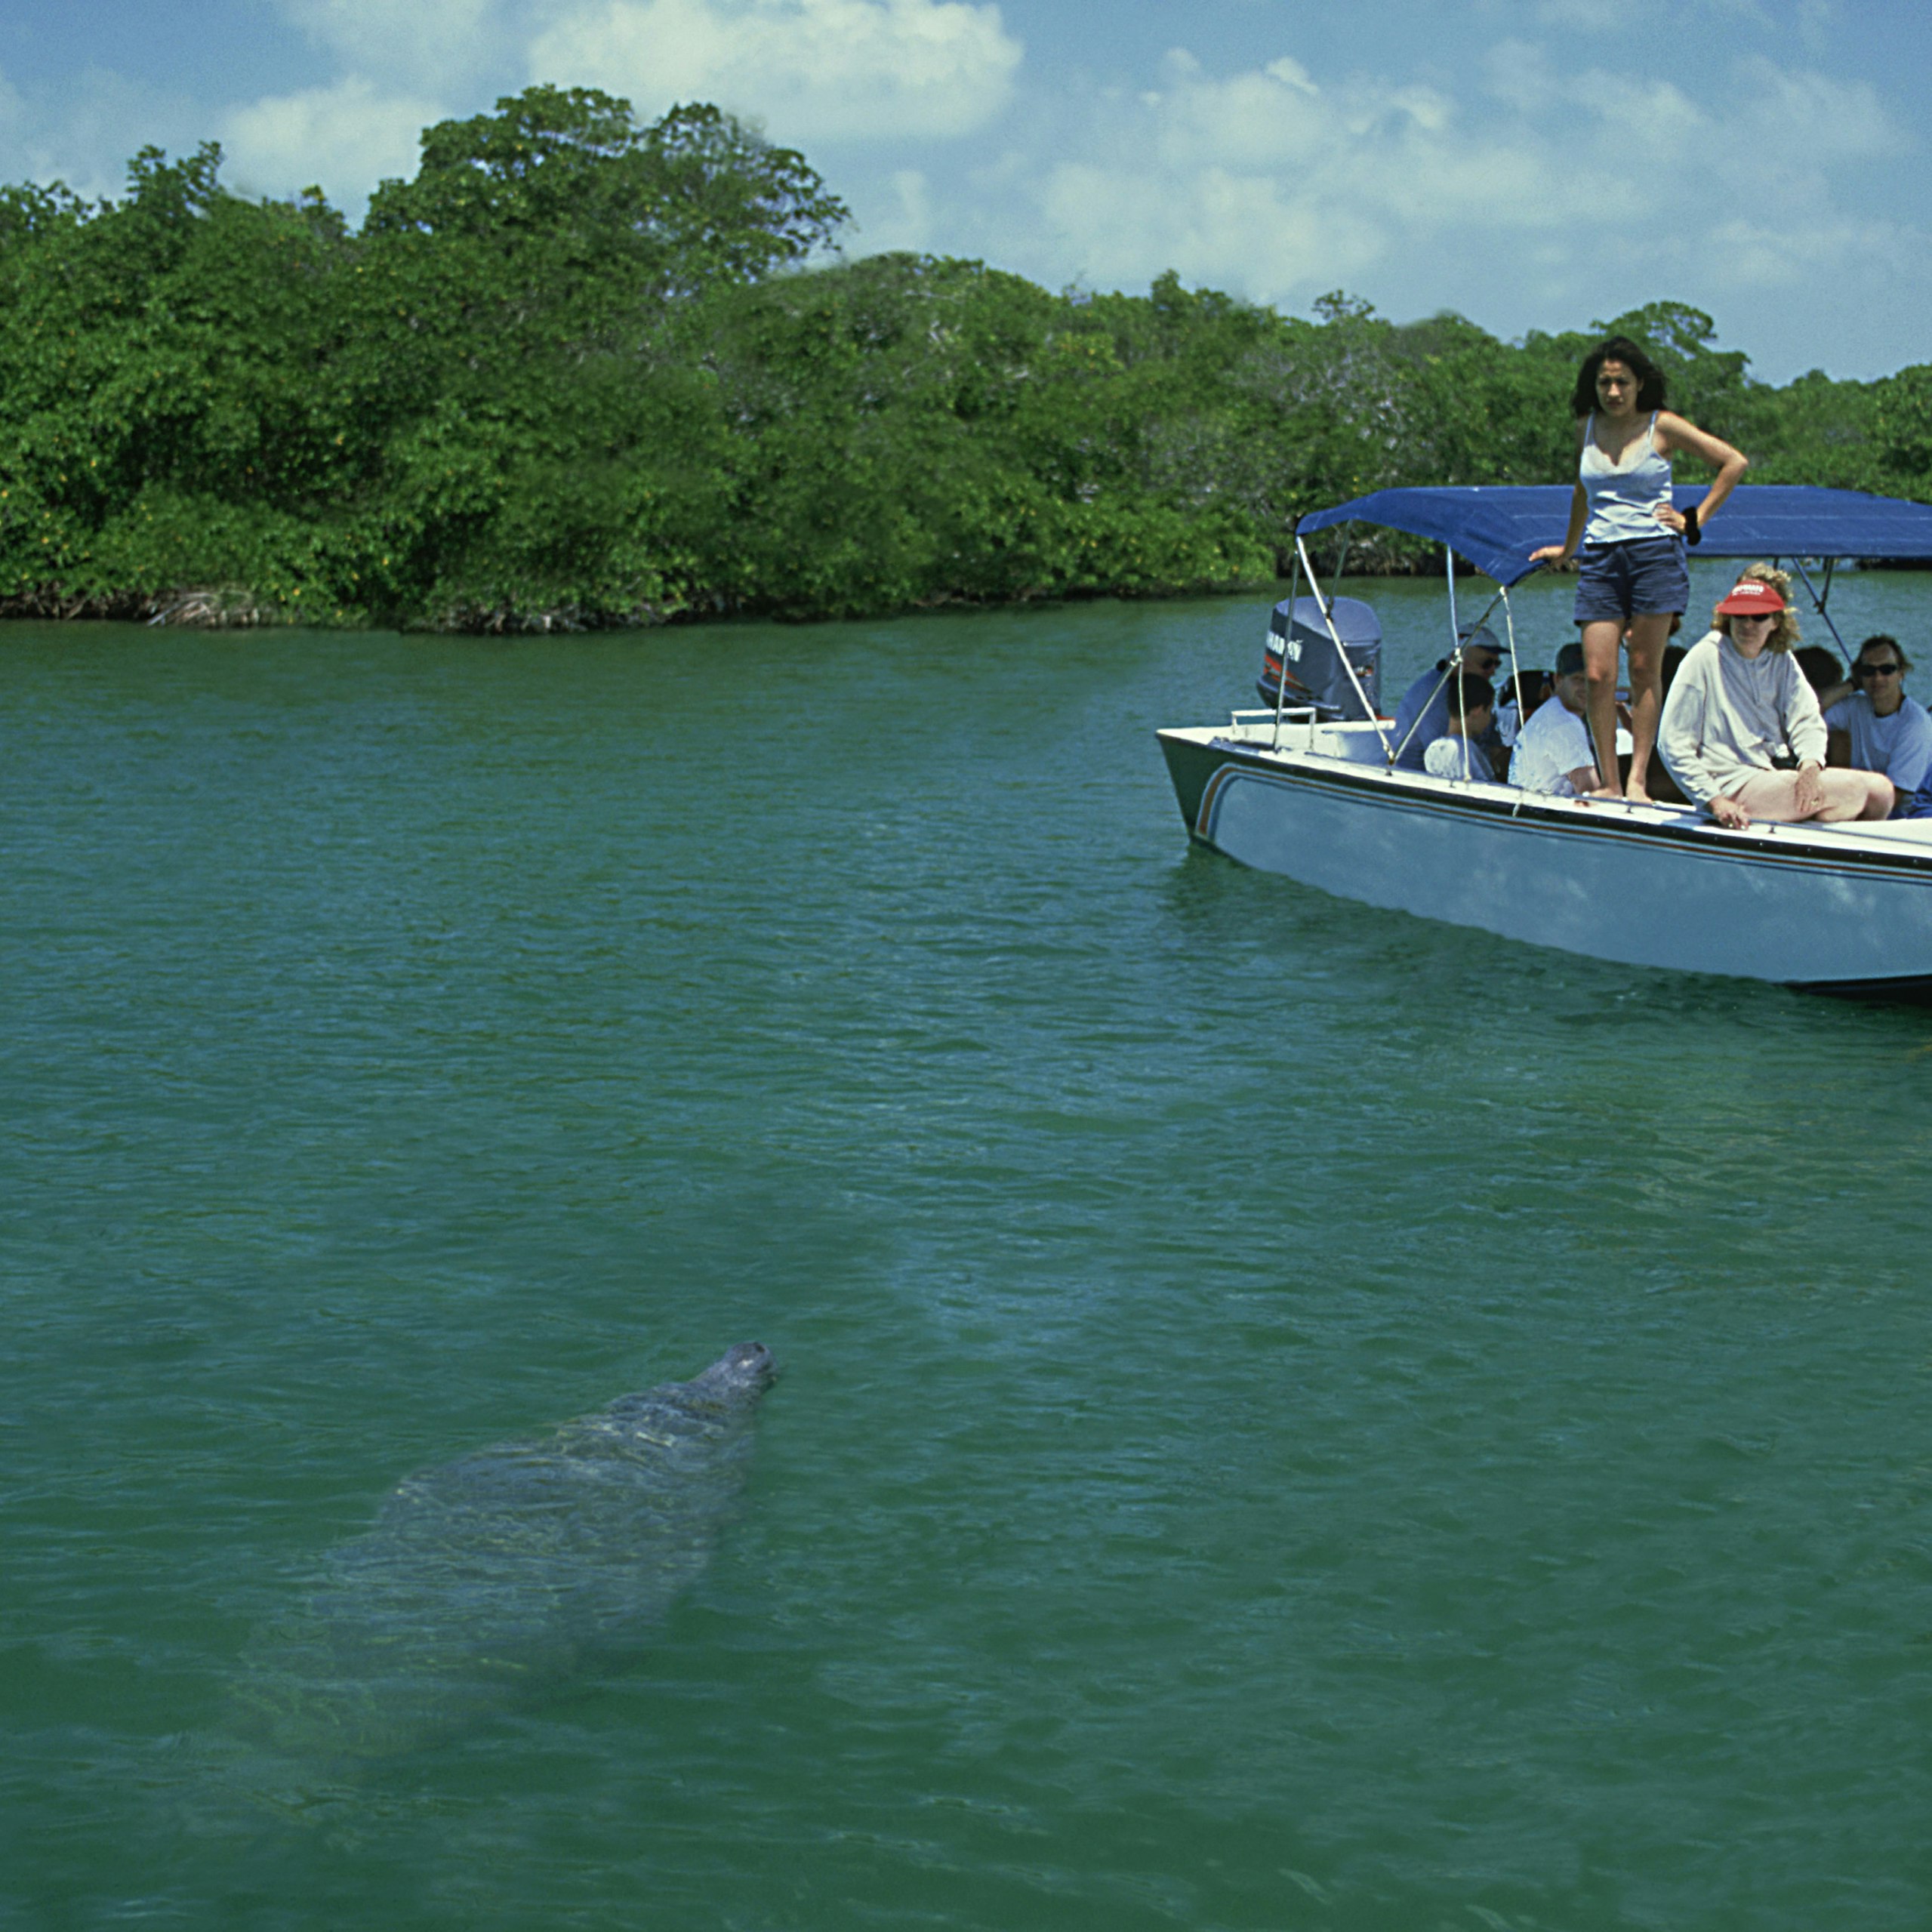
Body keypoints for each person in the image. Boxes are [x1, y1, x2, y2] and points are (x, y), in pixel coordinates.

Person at [1530, 336, 1749, 801]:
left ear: (1639, 384)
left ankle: (1637, 781)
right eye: (1604, 382)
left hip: (1654, 554)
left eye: (1621, 382)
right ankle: (1610, 781)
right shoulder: (1585, 427)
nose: (1612, 392)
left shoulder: (1661, 426)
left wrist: (1694, 519)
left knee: (1646, 668)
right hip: (1602, 557)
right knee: (1597, 673)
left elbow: (1732, 462)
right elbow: (1581, 493)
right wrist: (1568, 549)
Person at [1657, 572, 1893, 827]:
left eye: (1759, 617)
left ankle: (1835, 852)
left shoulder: (1780, 658)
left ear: (1775, 622)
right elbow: (1672, 743)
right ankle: (1818, 838)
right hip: (1730, 784)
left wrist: (1810, 766)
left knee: (1882, 791)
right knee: (1852, 790)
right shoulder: (1704, 657)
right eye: (1739, 616)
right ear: (1727, 618)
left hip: (1770, 774)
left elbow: (1806, 718)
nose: (1748, 625)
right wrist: (1714, 800)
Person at [1811, 636, 1932, 812]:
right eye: (1869, 671)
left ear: (1901, 673)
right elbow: (1812, 710)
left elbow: (1895, 795)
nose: (1878, 677)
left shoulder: (1915, 723)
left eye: (1887, 670)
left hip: (1905, 812)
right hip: (1860, 800)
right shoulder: (1855, 707)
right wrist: (1852, 684)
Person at [1391, 626, 1504, 771]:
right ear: (1457, 659)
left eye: (1497, 664)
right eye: (1487, 664)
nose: (1493, 672)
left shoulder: (1472, 693)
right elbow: (1446, 760)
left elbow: (1492, 746)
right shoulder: (1434, 698)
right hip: (1422, 781)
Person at [1508, 642, 1599, 796]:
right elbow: (1589, 790)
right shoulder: (1565, 722)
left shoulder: (1551, 711)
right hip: (1542, 813)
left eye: (1591, 680)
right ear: (1558, 680)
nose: (1586, 687)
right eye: (1578, 679)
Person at [1422, 673, 1499, 781]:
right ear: (1478, 710)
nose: (1490, 718)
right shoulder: (1466, 751)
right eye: (1489, 711)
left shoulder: (1433, 749)